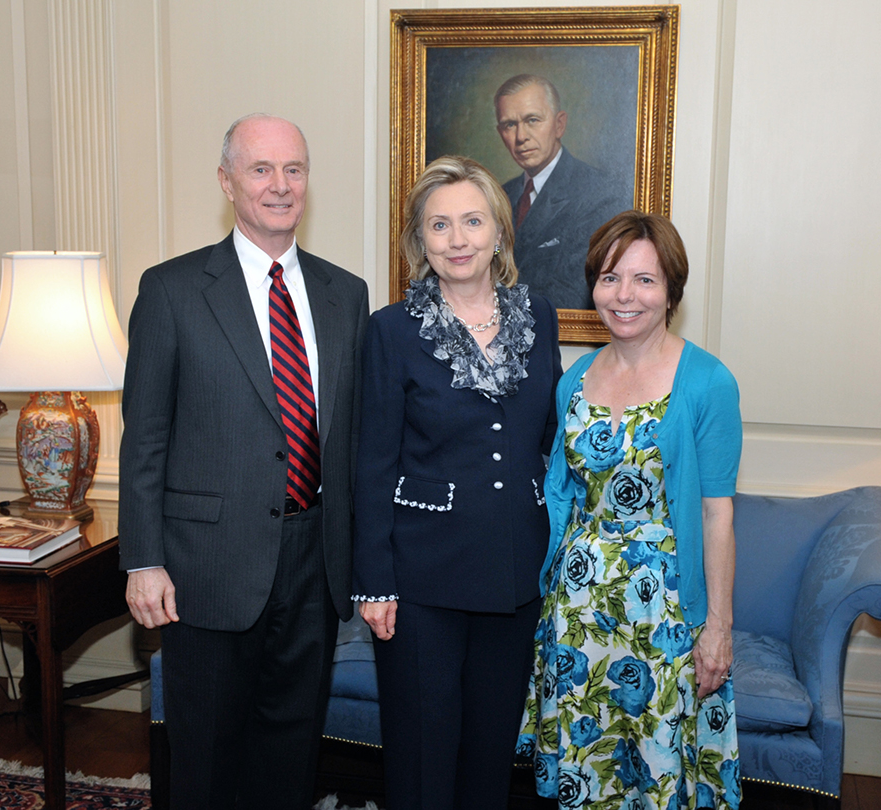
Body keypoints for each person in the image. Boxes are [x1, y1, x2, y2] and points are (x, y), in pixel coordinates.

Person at [119, 113, 370, 810]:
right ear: (227, 182)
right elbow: (144, 437)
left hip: (314, 560)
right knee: (206, 761)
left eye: (294, 169)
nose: (280, 185)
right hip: (206, 566)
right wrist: (142, 559)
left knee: (291, 759)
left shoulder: (344, 295)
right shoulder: (171, 290)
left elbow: (348, 441)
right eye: (261, 169)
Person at [354, 155, 563, 810]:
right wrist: (374, 581)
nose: (458, 238)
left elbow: (548, 443)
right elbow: (372, 463)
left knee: (491, 755)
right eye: (440, 225)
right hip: (421, 583)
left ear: (499, 230)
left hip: (514, 572)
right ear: (421, 240)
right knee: (422, 757)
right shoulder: (391, 330)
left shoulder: (541, 316)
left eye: (472, 221)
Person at [519, 210, 743, 809]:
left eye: (644, 280)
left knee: (656, 776)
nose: (625, 296)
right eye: (610, 277)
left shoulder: (708, 383)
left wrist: (716, 627)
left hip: (665, 615)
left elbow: (718, 514)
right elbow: (562, 500)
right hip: (579, 611)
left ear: (672, 290)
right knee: (587, 774)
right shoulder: (575, 379)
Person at [494, 74, 633, 311]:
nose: (521, 137)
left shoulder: (600, 195)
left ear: (559, 124)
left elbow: (576, 292)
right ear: (500, 132)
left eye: (532, 120)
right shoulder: (499, 196)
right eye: (510, 125)